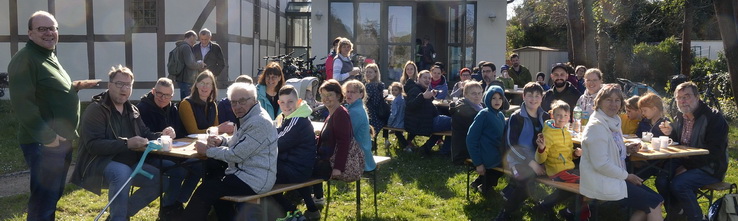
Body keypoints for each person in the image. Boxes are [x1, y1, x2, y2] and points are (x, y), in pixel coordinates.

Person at [8, 10, 99, 220]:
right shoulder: (25, 60)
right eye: (42, 29)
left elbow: (47, 89)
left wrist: (74, 87)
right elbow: (24, 105)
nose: (49, 33)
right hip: (45, 143)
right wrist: (48, 138)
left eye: (53, 28)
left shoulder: (48, 56)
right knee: (43, 200)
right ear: (30, 33)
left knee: (52, 196)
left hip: (59, 141)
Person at [71, 65, 176, 221]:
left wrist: (164, 134)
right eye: (119, 84)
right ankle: (118, 217)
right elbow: (93, 145)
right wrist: (127, 144)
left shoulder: (132, 110)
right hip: (98, 162)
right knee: (122, 172)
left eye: (128, 85)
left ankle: (120, 216)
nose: (124, 88)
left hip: (130, 163)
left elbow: (145, 134)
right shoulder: (96, 109)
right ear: (109, 85)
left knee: (160, 181)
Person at [179, 82, 278, 220]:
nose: (237, 106)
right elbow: (237, 144)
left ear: (254, 100)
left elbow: (236, 155)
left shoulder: (259, 122)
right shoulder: (248, 117)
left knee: (206, 190)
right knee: (212, 179)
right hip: (245, 173)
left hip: (255, 179)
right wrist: (221, 141)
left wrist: (207, 151)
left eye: (242, 101)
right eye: (234, 102)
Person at [579, 84, 664, 221]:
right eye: (608, 100)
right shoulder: (596, 126)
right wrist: (627, 176)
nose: (613, 104)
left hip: (615, 178)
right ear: (599, 102)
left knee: (656, 200)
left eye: (617, 100)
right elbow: (600, 164)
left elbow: (611, 149)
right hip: (601, 181)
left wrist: (627, 149)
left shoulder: (613, 121)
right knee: (653, 203)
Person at [656, 82, 728, 221]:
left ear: (697, 97)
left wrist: (688, 167)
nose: (683, 101)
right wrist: (670, 133)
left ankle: (697, 218)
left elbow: (714, 152)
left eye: (687, 96)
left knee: (680, 184)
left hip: (711, 167)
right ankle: (677, 214)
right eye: (679, 97)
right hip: (685, 161)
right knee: (662, 180)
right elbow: (680, 143)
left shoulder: (713, 118)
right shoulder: (680, 118)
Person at [135, 78, 197, 218]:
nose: (162, 98)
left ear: (172, 96)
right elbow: (142, 135)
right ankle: (168, 208)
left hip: (172, 153)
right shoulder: (142, 109)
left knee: (198, 166)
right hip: (150, 155)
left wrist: (174, 133)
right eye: (159, 94)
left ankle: (178, 202)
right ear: (153, 91)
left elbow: (181, 133)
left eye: (167, 95)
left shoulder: (173, 109)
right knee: (178, 171)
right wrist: (160, 135)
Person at [496, 82, 549, 220]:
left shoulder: (545, 117)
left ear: (542, 98)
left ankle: (546, 205)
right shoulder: (516, 117)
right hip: (516, 160)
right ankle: (505, 213)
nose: (534, 99)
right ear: (523, 97)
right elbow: (511, 146)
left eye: (537, 96)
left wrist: (543, 161)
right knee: (526, 179)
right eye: (530, 95)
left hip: (540, 160)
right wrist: (531, 163)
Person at [271, 85, 320, 220]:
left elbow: (277, 144)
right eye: (283, 102)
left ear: (298, 102)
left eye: (290, 101)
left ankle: (291, 211)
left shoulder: (297, 120)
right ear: (279, 103)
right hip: (299, 167)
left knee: (261, 177)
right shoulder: (292, 117)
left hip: (297, 170)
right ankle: (311, 209)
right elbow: (277, 133)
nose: (286, 106)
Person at [533, 100, 584, 218]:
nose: (562, 118)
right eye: (559, 115)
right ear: (552, 115)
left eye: (565, 115)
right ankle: (571, 212)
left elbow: (567, 155)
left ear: (569, 117)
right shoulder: (548, 134)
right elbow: (540, 159)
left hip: (568, 168)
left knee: (588, 176)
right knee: (587, 182)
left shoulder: (566, 132)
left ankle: (545, 205)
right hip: (557, 172)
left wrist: (575, 154)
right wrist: (541, 148)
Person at [311, 79, 353, 207]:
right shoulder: (333, 113)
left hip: (331, 164)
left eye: (329, 95)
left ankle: (309, 202)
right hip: (324, 159)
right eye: (323, 95)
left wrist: (338, 168)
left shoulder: (341, 114)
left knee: (300, 168)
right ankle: (315, 198)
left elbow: (344, 143)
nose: (325, 98)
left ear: (339, 96)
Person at [466, 85, 508, 194]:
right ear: (488, 99)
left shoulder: (500, 115)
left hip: (496, 152)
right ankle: (485, 186)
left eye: (500, 98)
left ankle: (479, 182)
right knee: (504, 166)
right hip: (486, 154)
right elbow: (471, 138)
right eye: (493, 98)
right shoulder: (484, 114)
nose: (497, 101)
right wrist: (478, 162)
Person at [404, 70, 452, 155]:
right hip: (423, 123)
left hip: (427, 120)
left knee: (450, 122)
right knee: (456, 122)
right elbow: (411, 105)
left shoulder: (422, 89)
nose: (427, 80)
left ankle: (427, 147)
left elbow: (425, 106)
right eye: (425, 78)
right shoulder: (414, 90)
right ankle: (445, 151)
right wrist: (423, 97)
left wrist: (430, 97)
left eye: (429, 78)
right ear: (418, 78)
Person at [342, 80, 377, 171]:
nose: (349, 95)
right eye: (347, 91)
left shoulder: (355, 111)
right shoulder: (355, 107)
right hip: (360, 151)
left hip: (359, 156)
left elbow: (346, 134)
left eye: (353, 92)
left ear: (361, 95)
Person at [449, 81, 484, 164]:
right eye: (474, 94)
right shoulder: (463, 109)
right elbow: (481, 127)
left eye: (479, 93)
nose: (477, 96)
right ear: (465, 95)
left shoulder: (480, 106)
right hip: (464, 152)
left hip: (476, 146)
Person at [170, 30, 206, 100]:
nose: (195, 42)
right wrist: (200, 64)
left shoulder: (179, 46)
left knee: (184, 100)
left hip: (181, 79)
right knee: (188, 101)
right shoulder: (186, 47)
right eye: (195, 39)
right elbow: (190, 64)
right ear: (191, 37)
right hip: (187, 80)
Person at [363, 63, 387, 136]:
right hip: (381, 114)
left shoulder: (369, 86)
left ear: (375, 73)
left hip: (372, 114)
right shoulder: (381, 84)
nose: (368, 74)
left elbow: (365, 99)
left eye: (370, 72)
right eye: (366, 72)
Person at [386, 82, 409, 149]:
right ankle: (404, 145)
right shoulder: (402, 99)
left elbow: (394, 114)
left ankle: (406, 146)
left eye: (396, 90)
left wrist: (389, 124)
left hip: (398, 122)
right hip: (402, 120)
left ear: (400, 91)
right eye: (392, 90)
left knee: (398, 133)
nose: (393, 92)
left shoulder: (396, 101)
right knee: (398, 133)